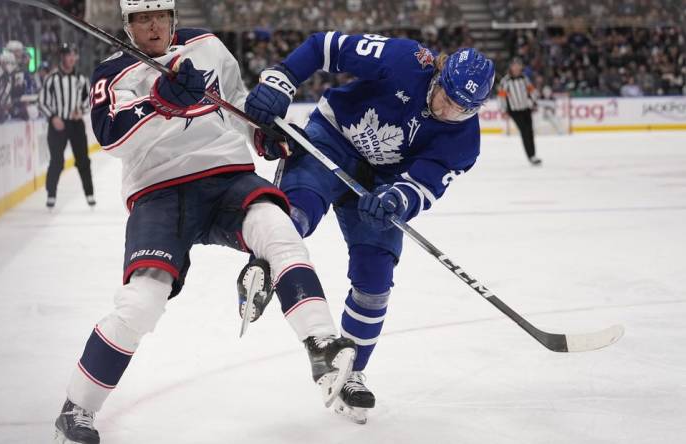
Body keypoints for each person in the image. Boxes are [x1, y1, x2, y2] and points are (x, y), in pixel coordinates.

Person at [52, 1, 356, 443]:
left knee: (278, 230)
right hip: (160, 192)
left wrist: (264, 134)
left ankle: (322, 344)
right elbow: (109, 136)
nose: (153, 26)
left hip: (227, 178)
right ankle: (76, 408)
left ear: (172, 17)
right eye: (142, 19)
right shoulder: (111, 72)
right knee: (142, 301)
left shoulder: (206, 45)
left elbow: (235, 104)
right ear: (127, 24)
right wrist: (159, 101)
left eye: (160, 16)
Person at [240, 32, 495, 424]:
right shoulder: (403, 59)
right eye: (446, 96)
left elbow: (424, 184)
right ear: (439, 74)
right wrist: (283, 77)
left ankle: (349, 371)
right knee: (297, 214)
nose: (448, 110)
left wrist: (398, 199)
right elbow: (325, 46)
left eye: (463, 109)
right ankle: (262, 265)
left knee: (375, 280)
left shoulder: (466, 141)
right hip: (332, 141)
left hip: (381, 187)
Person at [39, 43, 95, 209]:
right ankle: (51, 194)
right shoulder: (52, 78)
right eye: (68, 54)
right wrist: (53, 117)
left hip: (76, 124)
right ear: (62, 57)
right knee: (56, 161)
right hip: (58, 125)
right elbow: (42, 102)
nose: (71, 58)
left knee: (83, 160)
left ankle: (89, 193)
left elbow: (90, 99)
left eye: (73, 54)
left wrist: (82, 111)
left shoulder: (81, 79)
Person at [498, 58, 541, 166]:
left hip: (526, 108)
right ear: (511, 67)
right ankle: (531, 156)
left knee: (530, 132)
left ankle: (533, 155)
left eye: (518, 65)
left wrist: (536, 101)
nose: (516, 67)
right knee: (525, 131)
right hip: (514, 111)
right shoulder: (505, 81)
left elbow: (531, 90)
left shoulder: (524, 78)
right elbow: (502, 97)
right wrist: (503, 110)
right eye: (514, 65)